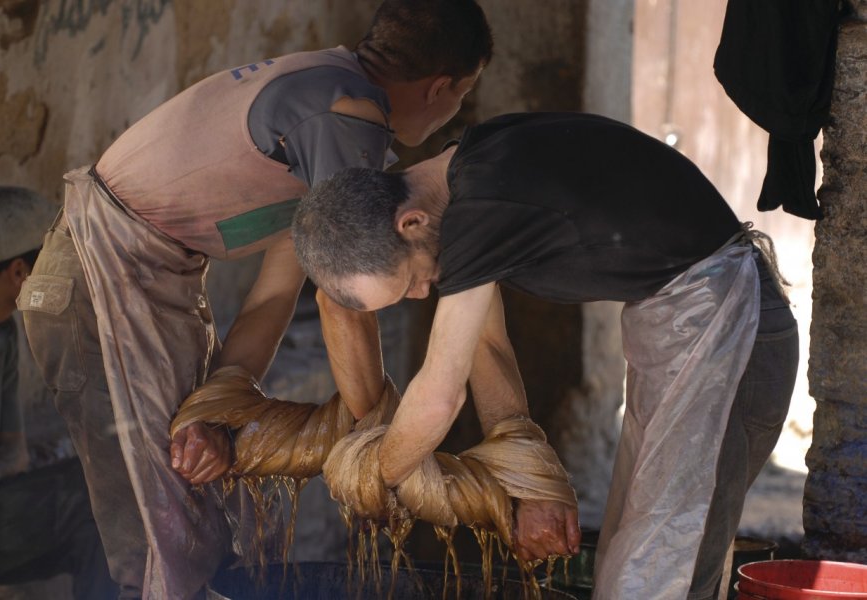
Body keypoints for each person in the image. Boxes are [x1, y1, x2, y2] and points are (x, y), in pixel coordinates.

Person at [20, 1, 492, 598]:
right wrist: (378, 442)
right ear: (443, 86)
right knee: (157, 528)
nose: (457, 109)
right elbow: (340, 301)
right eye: (465, 94)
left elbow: (273, 299)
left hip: (148, 287)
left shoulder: (330, 114)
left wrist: (219, 408)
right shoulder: (345, 118)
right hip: (97, 283)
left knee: (196, 502)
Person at [291, 112, 799, 599]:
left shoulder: (483, 203)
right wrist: (529, 479)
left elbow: (440, 397)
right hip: (685, 334)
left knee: (658, 573)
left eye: (409, 283)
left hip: (730, 330)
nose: (422, 294)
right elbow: (486, 348)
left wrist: (374, 480)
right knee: (630, 560)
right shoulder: (466, 178)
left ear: (410, 222)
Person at [0, 187, 117, 599]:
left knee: (104, 499)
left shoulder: (0, 333)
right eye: (54, 263)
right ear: (19, 272)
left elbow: (13, 451)